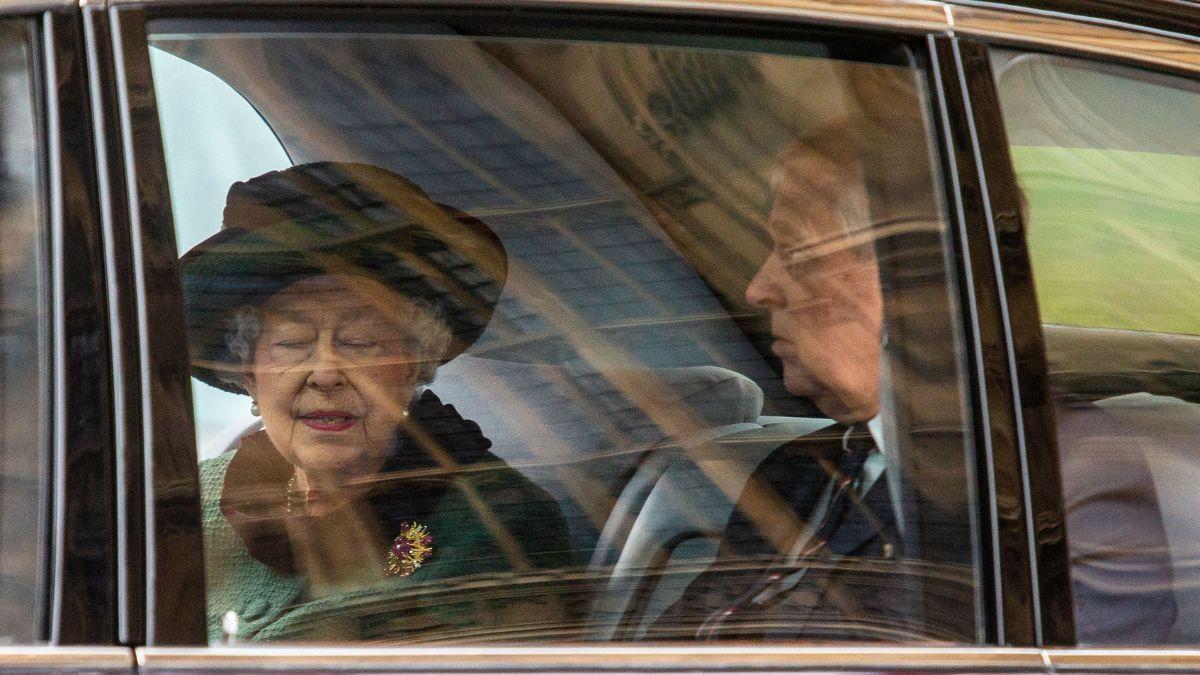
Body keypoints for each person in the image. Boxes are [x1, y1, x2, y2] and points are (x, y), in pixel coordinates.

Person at [652, 122, 1177, 643]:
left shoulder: (1050, 478)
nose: (759, 288)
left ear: (917, 279)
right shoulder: (798, 470)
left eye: (795, 252)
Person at [182, 162, 573, 642]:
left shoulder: (502, 525)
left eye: (361, 341)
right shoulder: (190, 505)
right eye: (292, 343)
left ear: (413, 365)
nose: (325, 373)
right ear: (249, 374)